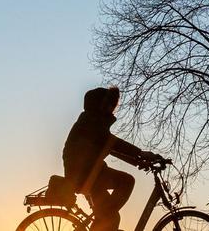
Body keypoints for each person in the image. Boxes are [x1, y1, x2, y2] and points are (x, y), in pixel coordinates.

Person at [62, 86, 161, 231]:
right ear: (99, 104)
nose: (112, 108)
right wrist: (140, 153)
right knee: (120, 196)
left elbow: (109, 147)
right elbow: (112, 143)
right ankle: (101, 220)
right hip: (86, 176)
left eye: (113, 105)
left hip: (91, 174)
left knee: (111, 216)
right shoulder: (91, 122)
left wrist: (138, 160)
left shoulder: (92, 121)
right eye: (108, 104)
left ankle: (101, 220)